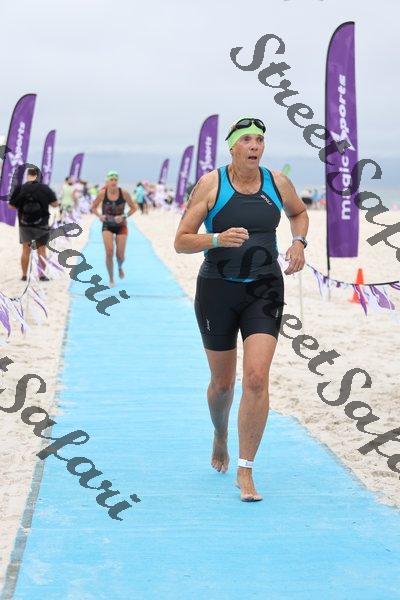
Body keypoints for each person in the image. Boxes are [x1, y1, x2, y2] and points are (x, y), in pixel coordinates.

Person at [174, 117, 309, 502]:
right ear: (232, 147)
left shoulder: (277, 182)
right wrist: (217, 238)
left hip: (264, 289)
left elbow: (299, 213)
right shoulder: (211, 184)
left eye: (260, 140)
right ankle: (220, 434)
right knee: (223, 385)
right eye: (247, 140)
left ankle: (245, 469)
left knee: (256, 378)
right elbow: (181, 241)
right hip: (217, 289)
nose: (255, 146)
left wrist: (298, 242)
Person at [9, 166, 59, 281]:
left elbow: (11, 206)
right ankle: (41, 275)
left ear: (28, 175)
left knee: (25, 251)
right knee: (41, 250)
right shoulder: (45, 188)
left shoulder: (20, 188)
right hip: (42, 224)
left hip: (24, 224)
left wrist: (22, 206)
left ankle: (24, 275)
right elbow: (55, 204)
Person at [92, 170, 137, 286]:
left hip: (121, 226)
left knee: (120, 255)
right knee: (109, 252)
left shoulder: (124, 193)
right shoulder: (102, 194)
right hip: (107, 225)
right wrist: (99, 216)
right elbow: (93, 207)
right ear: (107, 181)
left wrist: (123, 216)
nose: (113, 182)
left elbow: (134, 208)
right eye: (111, 179)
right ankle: (111, 278)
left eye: (115, 179)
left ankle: (120, 267)